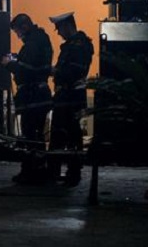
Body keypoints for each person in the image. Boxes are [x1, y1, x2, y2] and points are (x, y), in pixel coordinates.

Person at [2, 13, 54, 184]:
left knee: (30, 137)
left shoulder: (33, 43)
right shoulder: (41, 39)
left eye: (17, 31)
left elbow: (27, 69)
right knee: (37, 137)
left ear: (24, 26)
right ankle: (39, 169)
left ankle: (30, 172)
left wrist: (9, 63)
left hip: (32, 97)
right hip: (40, 94)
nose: (18, 35)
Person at [47, 11, 94, 187]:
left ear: (67, 26)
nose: (58, 32)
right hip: (66, 96)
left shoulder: (78, 46)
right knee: (61, 134)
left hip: (70, 96)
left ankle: (71, 172)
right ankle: (57, 170)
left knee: (71, 135)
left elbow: (74, 72)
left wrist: (55, 71)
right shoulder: (73, 45)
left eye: (59, 28)